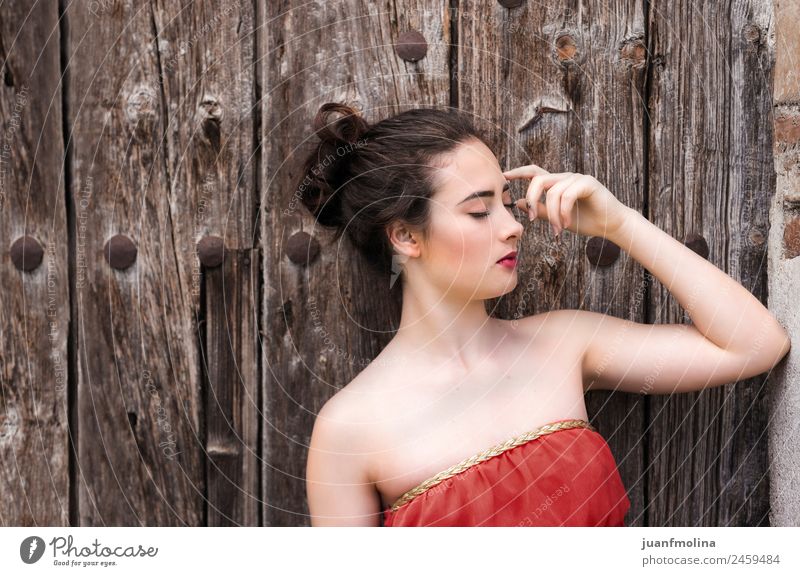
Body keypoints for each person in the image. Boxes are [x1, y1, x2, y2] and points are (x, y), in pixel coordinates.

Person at [300, 102, 791, 527]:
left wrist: (619, 223)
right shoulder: (349, 429)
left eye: (508, 205)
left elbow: (755, 346)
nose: (513, 226)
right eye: (479, 211)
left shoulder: (564, 344)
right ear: (405, 236)